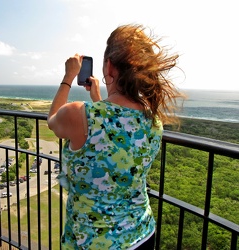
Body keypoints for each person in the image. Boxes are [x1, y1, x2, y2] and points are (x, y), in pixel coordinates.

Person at [47, 24, 183, 249]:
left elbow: (53, 120)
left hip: (93, 242)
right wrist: (98, 97)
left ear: (108, 66)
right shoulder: (154, 120)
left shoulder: (78, 114)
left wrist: (68, 77)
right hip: (143, 235)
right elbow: (115, 130)